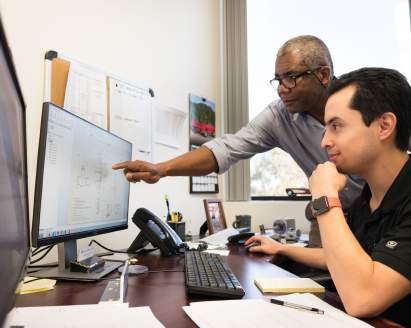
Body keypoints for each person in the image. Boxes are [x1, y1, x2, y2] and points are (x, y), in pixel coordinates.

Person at [112, 35, 364, 246]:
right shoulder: (279, 116)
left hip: (383, 212)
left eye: (291, 77)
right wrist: (162, 169)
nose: (281, 88)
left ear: (323, 74)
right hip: (329, 213)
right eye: (278, 79)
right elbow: (227, 148)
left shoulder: (364, 100)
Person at [246, 67, 411, 326]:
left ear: (385, 126)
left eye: (336, 126)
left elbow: (362, 299)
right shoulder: (368, 198)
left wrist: (324, 196)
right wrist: (281, 248)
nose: (324, 141)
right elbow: (344, 256)